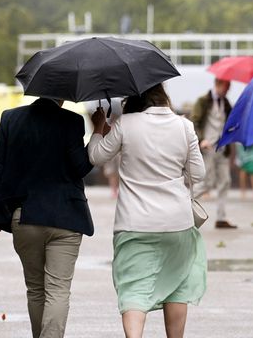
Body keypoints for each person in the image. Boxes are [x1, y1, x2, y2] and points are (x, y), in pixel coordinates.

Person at [88, 84, 207, 338]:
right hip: (178, 223)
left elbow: (96, 157)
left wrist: (99, 127)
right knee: (177, 287)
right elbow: (198, 174)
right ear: (163, 95)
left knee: (134, 289)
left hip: (135, 223)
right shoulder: (184, 126)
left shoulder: (126, 124)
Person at [0, 97, 93, 338]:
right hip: (67, 218)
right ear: (63, 94)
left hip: (25, 216)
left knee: (35, 289)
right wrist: (98, 131)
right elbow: (81, 168)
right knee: (58, 290)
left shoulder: (10, 118)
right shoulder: (72, 121)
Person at [189, 77, 237, 229]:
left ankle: (221, 217)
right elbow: (194, 122)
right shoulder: (203, 101)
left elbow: (229, 122)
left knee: (225, 181)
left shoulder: (226, 103)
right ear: (219, 84)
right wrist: (201, 139)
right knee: (206, 182)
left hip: (222, 148)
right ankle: (184, 206)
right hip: (207, 147)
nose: (228, 89)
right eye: (227, 85)